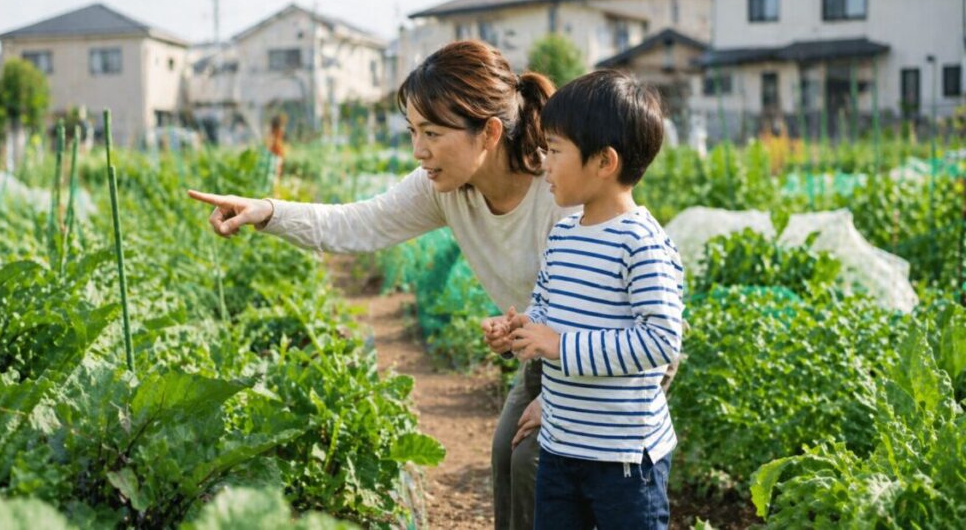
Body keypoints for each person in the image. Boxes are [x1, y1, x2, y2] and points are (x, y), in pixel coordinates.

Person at [189, 40, 570, 530]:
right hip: (546, 357)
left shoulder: (560, 189)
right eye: (413, 131)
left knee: (533, 463)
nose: (419, 151)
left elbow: (607, 308)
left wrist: (565, 398)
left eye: (432, 132)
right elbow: (358, 222)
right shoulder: (443, 189)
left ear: (489, 132)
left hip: (600, 355)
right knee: (507, 455)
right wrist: (267, 212)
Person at [486, 71, 682, 529]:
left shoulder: (641, 242)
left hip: (625, 460)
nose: (544, 163)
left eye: (554, 150)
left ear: (604, 162)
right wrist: (517, 328)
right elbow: (546, 310)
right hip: (560, 447)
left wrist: (559, 346)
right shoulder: (564, 235)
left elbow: (660, 341)